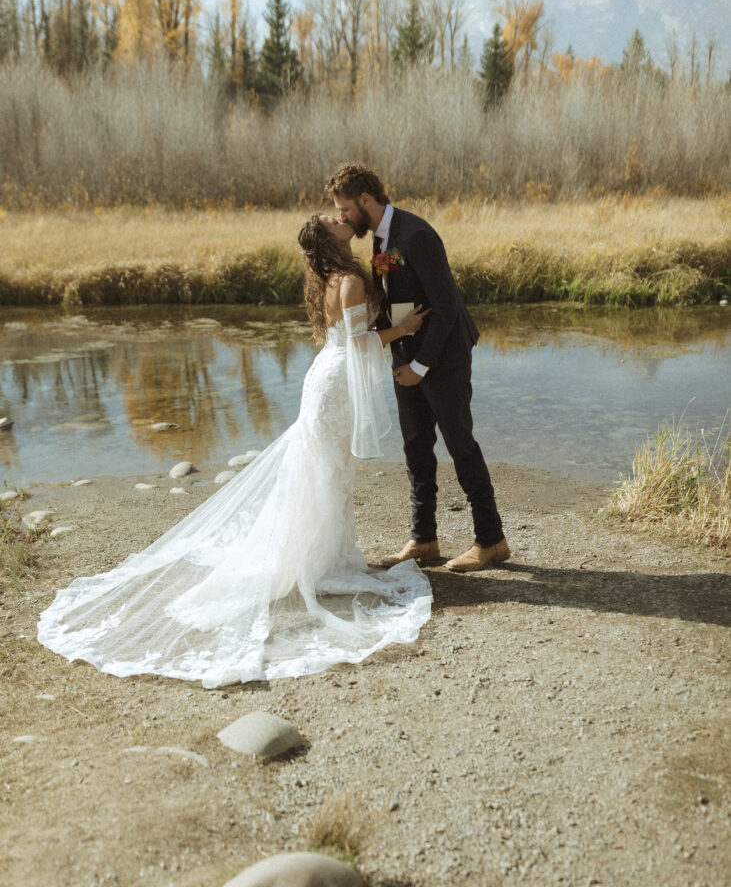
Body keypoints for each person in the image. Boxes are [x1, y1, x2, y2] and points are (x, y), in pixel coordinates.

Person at [37, 214, 432, 689]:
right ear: (330, 240)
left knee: (329, 473)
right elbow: (358, 342)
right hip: (333, 385)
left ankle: (327, 557)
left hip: (328, 381)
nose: (339, 218)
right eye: (332, 220)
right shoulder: (346, 280)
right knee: (326, 473)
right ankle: (315, 563)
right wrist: (404, 326)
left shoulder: (332, 277)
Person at [325, 162, 510, 573]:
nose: (341, 217)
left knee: (460, 443)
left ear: (366, 200)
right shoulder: (379, 239)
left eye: (343, 209)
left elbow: (444, 306)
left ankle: (491, 540)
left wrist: (422, 365)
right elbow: (397, 297)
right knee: (415, 447)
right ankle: (424, 539)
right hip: (406, 355)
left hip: (443, 356)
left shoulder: (416, 234)